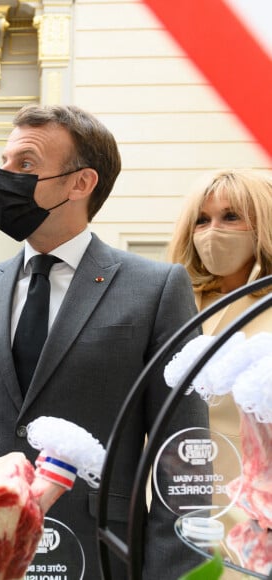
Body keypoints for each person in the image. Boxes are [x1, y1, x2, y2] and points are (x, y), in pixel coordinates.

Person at [0, 104, 210, 579]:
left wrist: (172, 570)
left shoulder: (156, 288)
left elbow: (182, 451)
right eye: (6, 163)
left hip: (98, 550)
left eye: (27, 164)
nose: (7, 176)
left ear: (81, 183)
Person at [168, 168, 272, 575]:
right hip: (171, 497)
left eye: (231, 216)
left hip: (253, 515)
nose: (213, 231)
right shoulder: (173, 302)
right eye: (202, 219)